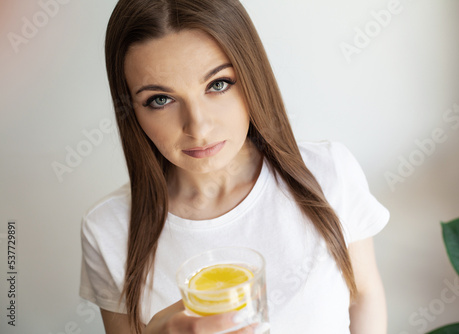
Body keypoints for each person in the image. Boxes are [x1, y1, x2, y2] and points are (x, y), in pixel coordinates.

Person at [79, 0, 390, 333]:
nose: (198, 128)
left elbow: (363, 297)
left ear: (252, 77)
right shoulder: (108, 231)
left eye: (218, 84)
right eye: (160, 99)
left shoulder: (329, 173)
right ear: (131, 110)